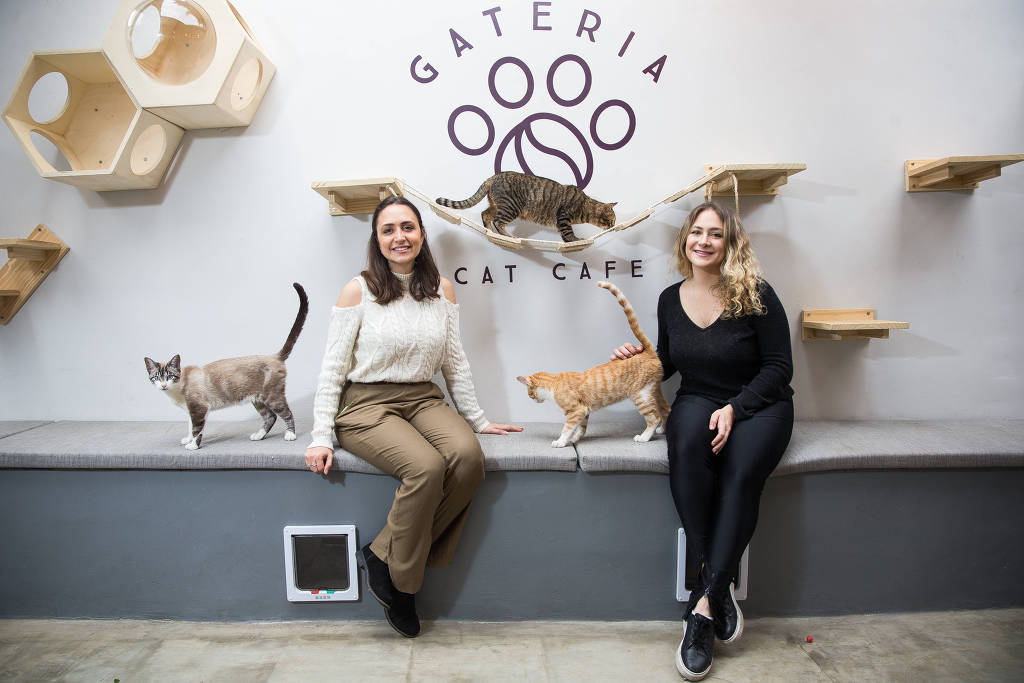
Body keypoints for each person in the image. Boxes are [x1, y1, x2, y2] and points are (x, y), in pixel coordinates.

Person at [304, 195, 522, 638]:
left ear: (421, 234)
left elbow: (454, 361)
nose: (399, 237)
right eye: (388, 230)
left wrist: (477, 419)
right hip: (365, 404)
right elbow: (333, 367)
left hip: (423, 398)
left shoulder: (441, 289)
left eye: (407, 227)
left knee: (468, 458)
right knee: (425, 467)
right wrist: (321, 435)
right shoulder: (358, 290)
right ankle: (403, 587)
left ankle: (384, 554)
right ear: (377, 239)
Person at [613, 202, 793, 680]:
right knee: (686, 446)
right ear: (685, 240)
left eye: (715, 234)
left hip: (760, 403)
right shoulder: (670, 299)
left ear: (729, 243)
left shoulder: (756, 292)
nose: (704, 241)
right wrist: (637, 360)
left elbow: (779, 367)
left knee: (740, 473)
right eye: (697, 232)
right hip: (698, 397)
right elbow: (669, 361)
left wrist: (737, 408)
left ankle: (703, 607)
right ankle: (719, 583)